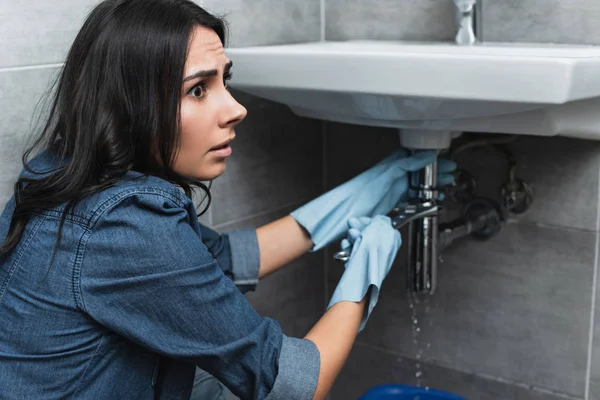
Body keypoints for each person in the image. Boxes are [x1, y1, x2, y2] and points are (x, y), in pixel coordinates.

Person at [0, 0, 455, 399]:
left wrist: (370, 188)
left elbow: (227, 257)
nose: (236, 108)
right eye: (198, 89)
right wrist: (365, 273)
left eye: (224, 81)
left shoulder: (62, 172)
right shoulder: (124, 225)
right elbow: (294, 386)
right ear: (130, 104)